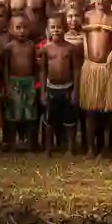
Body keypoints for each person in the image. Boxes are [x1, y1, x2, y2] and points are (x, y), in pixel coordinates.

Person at [79, 0, 112, 157]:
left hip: (109, 68)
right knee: (90, 111)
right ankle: (91, 147)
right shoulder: (87, 16)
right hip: (91, 68)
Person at [40, 13, 80, 156]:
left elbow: (75, 69)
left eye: (59, 27)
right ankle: (48, 148)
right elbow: (43, 71)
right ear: (48, 29)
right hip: (52, 88)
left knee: (69, 120)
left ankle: (70, 148)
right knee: (49, 120)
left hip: (67, 88)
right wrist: (43, 92)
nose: (56, 30)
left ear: (65, 28)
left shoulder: (71, 48)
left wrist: (75, 90)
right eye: (53, 27)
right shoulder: (46, 49)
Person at [2, 13, 38, 151]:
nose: (22, 31)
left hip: (29, 82)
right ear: (10, 29)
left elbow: (36, 67)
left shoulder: (31, 45)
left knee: (30, 114)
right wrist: (7, 86)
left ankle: (29, 143)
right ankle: (12, 143)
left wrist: (36, 84)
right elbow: (5, 67)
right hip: (14, 82)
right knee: (13, 115)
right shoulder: (9, 47)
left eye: (25, 27)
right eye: (18, 27)